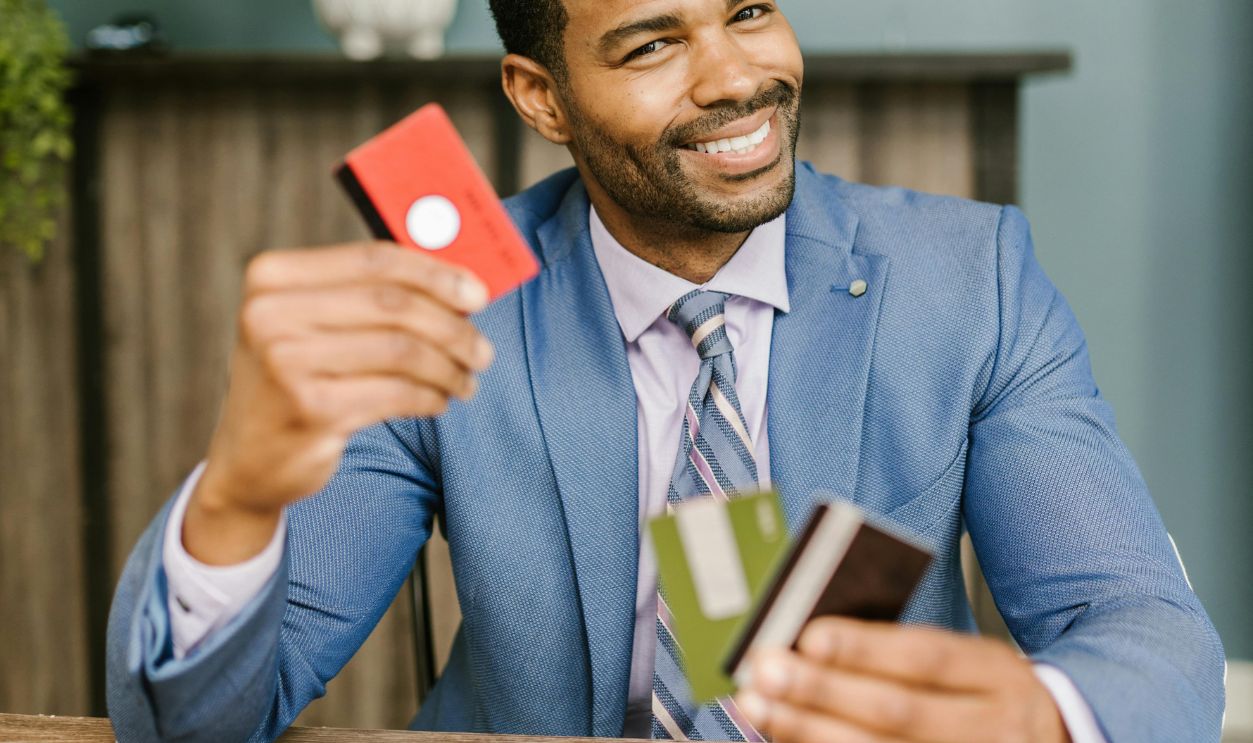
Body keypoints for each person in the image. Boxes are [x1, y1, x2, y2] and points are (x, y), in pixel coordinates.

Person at [105, 1, 1226, 741]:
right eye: (650, 45)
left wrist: (1040, 712)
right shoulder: (445, 305)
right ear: (541, 96)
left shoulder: (968, 276)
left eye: (747, 9)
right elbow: (197, 720)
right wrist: (239, 499)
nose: (736, 78)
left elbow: (1143, 629)